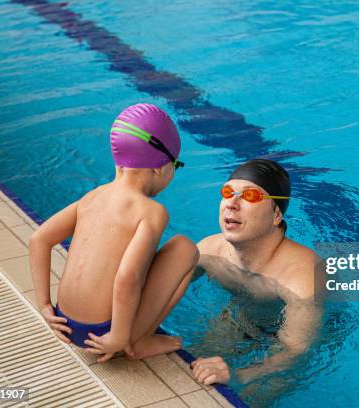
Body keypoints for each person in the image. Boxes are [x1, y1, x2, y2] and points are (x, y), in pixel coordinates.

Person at [29, 103, 198, 362]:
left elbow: (39, 239)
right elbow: (128, 278)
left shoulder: (93, 196)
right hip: (103, 334)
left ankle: (124, 334)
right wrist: (119, 336)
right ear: (160, 166)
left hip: (65, 322)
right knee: (185, 249)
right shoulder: (151, 211)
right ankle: (137, 341)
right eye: (177, 165)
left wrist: (44, 305)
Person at [190, 159, 323, 385]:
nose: (232, 203)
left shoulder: (303, 276)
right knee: (192, 369)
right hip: (242, 317)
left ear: (276, 215)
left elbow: (296, 353)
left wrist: (236, 377)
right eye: (227, 192)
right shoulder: (210, 251)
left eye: (250, 196)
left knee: (251, 391)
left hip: (295, 341)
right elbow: (156, 288)